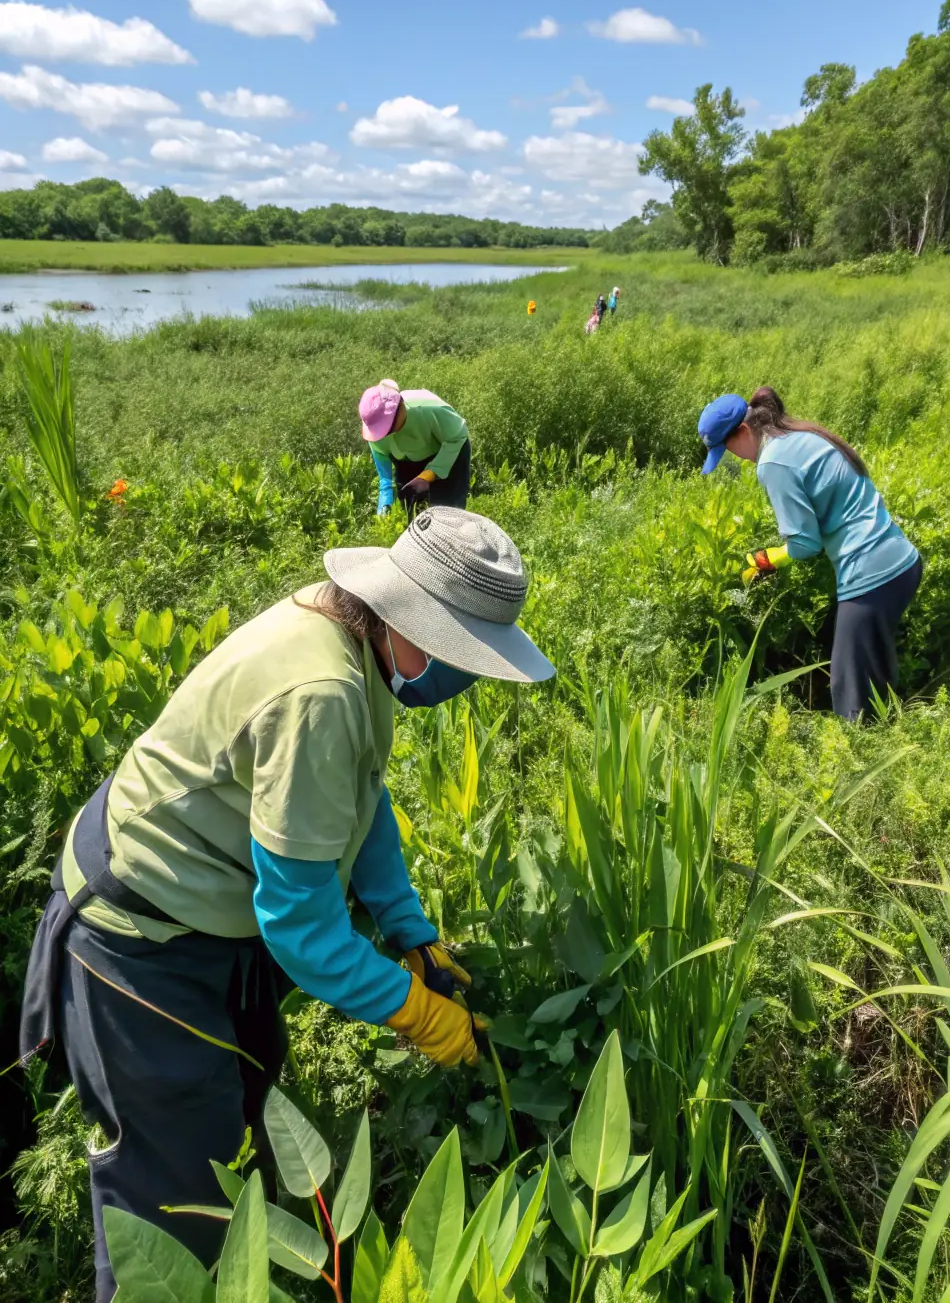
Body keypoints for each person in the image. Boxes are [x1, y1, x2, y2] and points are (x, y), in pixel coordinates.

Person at [19, 508, 554, 1303]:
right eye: (462, 654)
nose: (466, 676)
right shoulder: (321, 691)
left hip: (210, 911)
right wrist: (420, 1013)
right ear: (410, 619)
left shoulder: (353, 638)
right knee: (176, 1200)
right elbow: (302, 929)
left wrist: (408, 928)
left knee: (246, 1112)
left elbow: (358, 797)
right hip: (138, 932)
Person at [697, 386, 921, 721]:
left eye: (727, 449)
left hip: (871, 574)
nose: (735, 458)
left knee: (850, 695)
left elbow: (805, 544)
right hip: (900, 562)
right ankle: (891, 732)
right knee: (871, 671)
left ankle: (865, 763)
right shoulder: (798, 434)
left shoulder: (772, 462)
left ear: (743, 432)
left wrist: (766, 560)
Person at [360, 380, 470, 516]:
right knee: (414, 512)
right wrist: (385, 498)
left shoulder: (429, 408)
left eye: (388, 426)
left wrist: (428, 475)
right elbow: (384, 471)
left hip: (447, 452)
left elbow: (457, 438)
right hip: (407, 461)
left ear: (400, 405)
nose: (385, 433)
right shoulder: (375, 430)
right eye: (381, 430)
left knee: (449, 511)